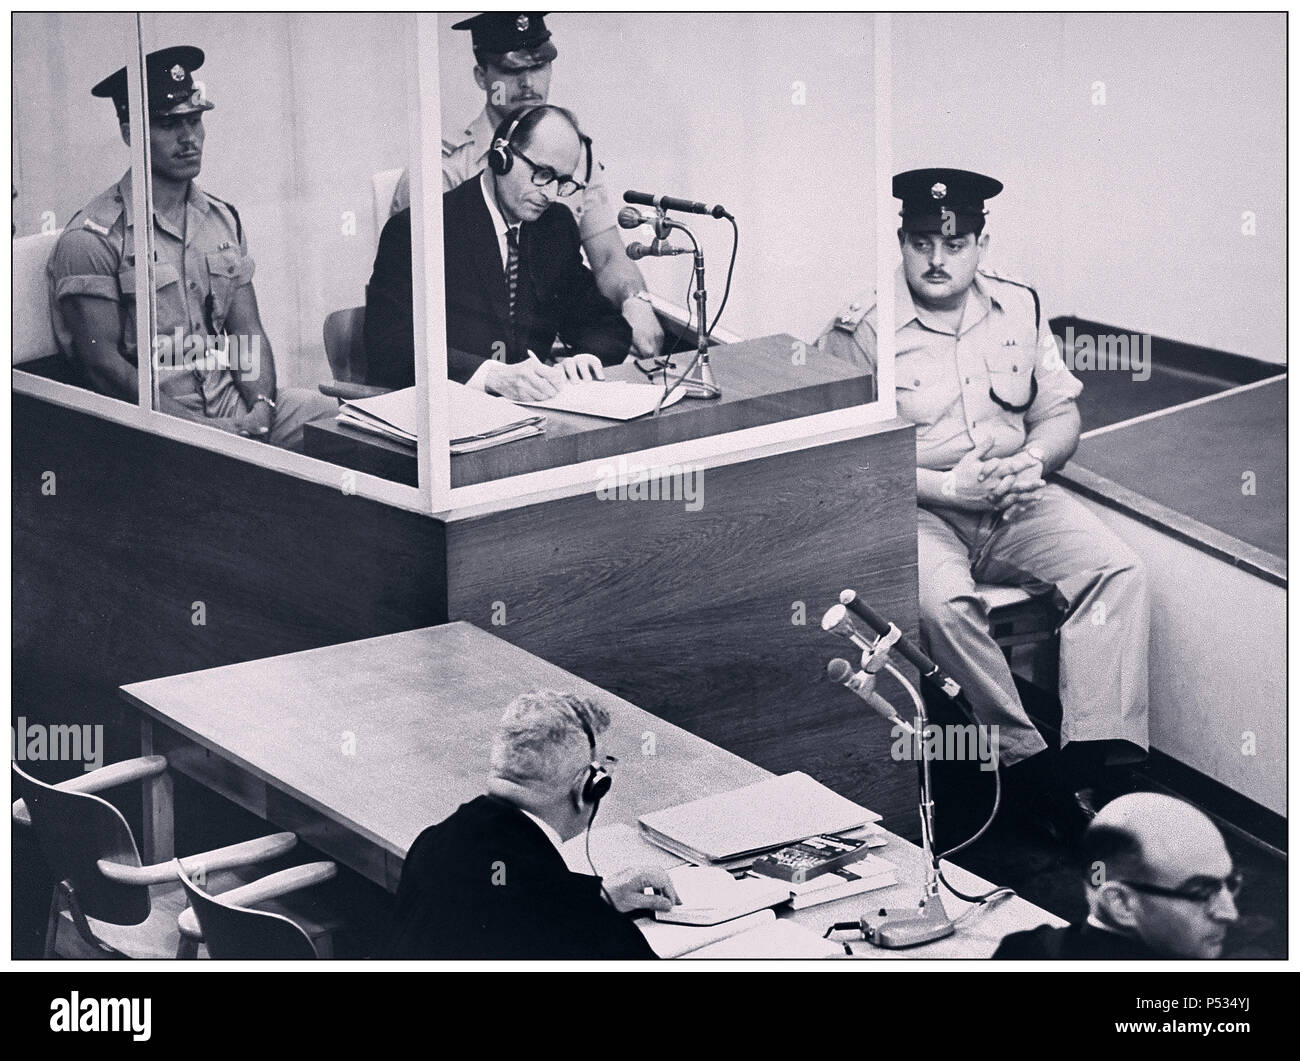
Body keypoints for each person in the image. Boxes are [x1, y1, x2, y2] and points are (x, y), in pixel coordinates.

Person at [815, 168, 1149, 841]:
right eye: (921, 244)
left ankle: (1093, 761)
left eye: (955, 243)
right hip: (919, 507)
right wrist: (945, 488)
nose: (937, 260)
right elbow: (842, 461)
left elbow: (1061, 417)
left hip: (1012, 502)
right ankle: (1028, 771)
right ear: (901, 240)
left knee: (1118, 570)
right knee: (942, 606)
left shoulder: (1019, 307)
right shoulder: (863, 328)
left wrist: (1031, 461)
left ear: (981, 243)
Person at [46, 46, 336, 450]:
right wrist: (205, 432)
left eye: (194, 120)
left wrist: (263, 409)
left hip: (233, 409)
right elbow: (103, 368)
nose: (188, 139)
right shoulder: (92, 239)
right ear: (131, 132)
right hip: (157, 427)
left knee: (336, 422)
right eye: (168, 125)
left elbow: (245, 334)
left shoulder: (220, 218)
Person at [390, 12, 664, 359]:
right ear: (482, 77)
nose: (528, 83)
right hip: (472, 367)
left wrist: (635, 300)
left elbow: (608, 255)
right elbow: (417, 308)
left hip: (549, 357)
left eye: (539, 67)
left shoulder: (573, 155)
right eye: (512, 70)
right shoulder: (442, 168)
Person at [387, 689, 679, 959]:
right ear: (585, 789)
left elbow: (503, 889)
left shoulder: (433, 843)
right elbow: (539, 903)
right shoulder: (583, 925)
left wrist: (598, 895)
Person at [365, 105, 632, 400]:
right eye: (543, 174)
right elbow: (389, 349)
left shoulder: (554, 227)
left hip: (529, 417)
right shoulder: (420, 231)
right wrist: (491, 375)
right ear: (501, 156)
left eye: (562, 182)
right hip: (448, 416)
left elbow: (604, 324)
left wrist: (587, 357)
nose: (551, 194)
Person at [994, 793, 1240, 959]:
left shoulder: (1023, 950)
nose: (1230, 913)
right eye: (1201, 893)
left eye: (1230, 883)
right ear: (1120, 903)